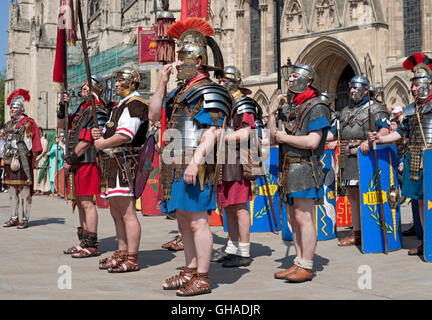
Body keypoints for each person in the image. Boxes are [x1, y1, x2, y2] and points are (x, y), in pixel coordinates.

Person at [149, 17, 231, 296]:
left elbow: (213, 131)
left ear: (197, 60)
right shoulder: (181, 91)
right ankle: (190, 269)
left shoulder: (208, 90)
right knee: (183, 219)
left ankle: (203, 276)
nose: (178, 62)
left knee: (197, 221)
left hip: (197, 165)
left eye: (182, 57)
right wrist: (162, 82)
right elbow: (153, 114)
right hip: (175, 164)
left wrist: (195, 162)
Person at [268, 64, 331, 283]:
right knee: (292, 218)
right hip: (287, 167)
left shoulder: (316, 106)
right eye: (290, 76)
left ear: (308, 80)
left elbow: (313, 141)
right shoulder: (291, 107)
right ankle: (298, 261)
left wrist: (285, 139)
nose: (290, 80)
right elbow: (273, 138)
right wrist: (271, 112)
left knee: (304, 217)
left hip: (304, 167)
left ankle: (307, 264)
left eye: (295, 76)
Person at [369, 57, 432, 257]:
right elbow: (400, 134)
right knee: (421, 201)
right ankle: (426, 241)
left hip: (430, 157)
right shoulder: (410, 110)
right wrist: (379, 139)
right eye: (412, 86)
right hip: (415, 158)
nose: (413, 89)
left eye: (416, 85)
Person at [91, 67, 149, 273]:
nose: (115, 84)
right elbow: (113, 132)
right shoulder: (121, 106)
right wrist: (100, 134)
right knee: (116, 211)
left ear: (132, 83)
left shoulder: (135, 104)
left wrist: (102, 144)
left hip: (126, 161)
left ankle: (132, 257)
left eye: (119, 81)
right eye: (115, 81)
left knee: (127, 212)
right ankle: (122, 251)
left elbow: (126, 135)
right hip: (114, 162)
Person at [326, 76, 390, 247]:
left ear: (365, 90)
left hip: (367, 157)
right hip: (348, 157)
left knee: (366, 194)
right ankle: (357, 233)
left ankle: (372, 232)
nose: (352, 91)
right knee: (353, 196)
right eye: (351, 88)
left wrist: (371, 140)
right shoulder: (345, 110)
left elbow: (385, 129)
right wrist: (315, 137)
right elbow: (333, 133)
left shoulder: (376, 108)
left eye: (356, 88)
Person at [213, 65, 263, 268]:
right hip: (224, 161)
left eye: (224, 80)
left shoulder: (243, 104)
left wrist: (220, 137)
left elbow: (246, 134)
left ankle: (244, 251)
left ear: (234, 81)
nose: (221, 83)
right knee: (229, 208)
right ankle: (232, 248)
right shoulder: (227, 104)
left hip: (238, 162)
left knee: (240, 208)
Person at [57, 75, 108, 258]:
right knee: (79, 202)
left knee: (87, 202)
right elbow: (62, 125)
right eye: (84, 85)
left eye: (88, 85)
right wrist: (62, 107)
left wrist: (71, 159)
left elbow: (87, 140)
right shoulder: (82, 109)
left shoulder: (97, 109)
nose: (84, 87)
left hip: (87, 161)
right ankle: (83, 241)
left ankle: (92, 244)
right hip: (78, 161)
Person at [2, 89, 42, 229]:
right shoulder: (8, 124)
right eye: (11, 107)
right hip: (9, 160)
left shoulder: (28, 122)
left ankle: (25, 218)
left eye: (15, 107)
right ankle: (14, 217)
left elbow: (35, 142)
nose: (12, 109)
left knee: (24, 189)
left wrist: (35, 159)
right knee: (12, 189)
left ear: (21, 109)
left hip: (23, 159)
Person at [33, 128, 51, 196]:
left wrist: (38, 157)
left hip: (42, 158)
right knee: (36, 174)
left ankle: (42, 189)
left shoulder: (44, 140)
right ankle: (37, 189)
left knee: (42, 174)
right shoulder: (36, 140)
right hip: (36, 159)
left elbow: (44, 151)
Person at [0, 128, 5, 192]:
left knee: (4, 172)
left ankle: (5, 186)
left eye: (3, 133)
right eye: (1, 133)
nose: (2, 134)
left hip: (3, 158)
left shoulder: (6, 140)